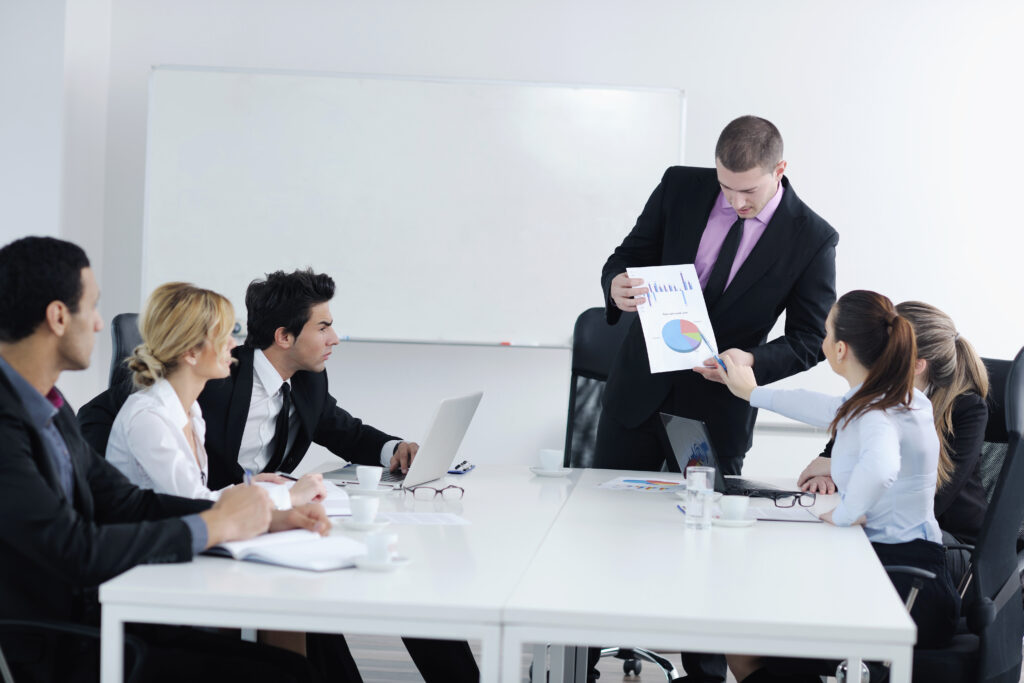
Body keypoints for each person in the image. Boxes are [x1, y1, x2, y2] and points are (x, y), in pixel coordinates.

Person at [79, 268, 480, 683]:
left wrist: (394, 449)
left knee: (386, 571)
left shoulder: (304, 382)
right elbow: (115, 418)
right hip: (197, 531)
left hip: (241, 516)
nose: (334, 338)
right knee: (315, 592)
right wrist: (106, 483)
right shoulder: (206, 382)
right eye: (323, 327)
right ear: (284, 337)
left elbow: (343, 429)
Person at [0, 236, 328, 683]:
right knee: (288, 675)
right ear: (58, 317)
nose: (98, 324)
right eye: (91, 307)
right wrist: (215, 525)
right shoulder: (8, 425)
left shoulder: (51, 409)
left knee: (296, 667)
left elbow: (128, 502)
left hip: (101, 617)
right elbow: (75, 548)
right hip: (59, 644)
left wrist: (260, 519)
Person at [593, 115, 838, 682]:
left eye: (747, 190)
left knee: (706, 551)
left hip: (717, 407)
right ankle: (577, 660)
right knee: (599, 529)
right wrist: (615, 285)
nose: (734, 201)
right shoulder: (681, 185)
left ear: (780, 169)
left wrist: (751, 361)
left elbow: (810, 339)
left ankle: (704, 675)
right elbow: (626, 256)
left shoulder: (812, 237)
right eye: (726, 186)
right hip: (637, 391)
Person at [719, 290, 960, 683]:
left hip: (905, 590)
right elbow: (822, 407)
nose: (823, 342)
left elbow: (881, 467)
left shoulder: (878, 410)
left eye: (827, 333)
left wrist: (846, 513)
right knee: (756, 625)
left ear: (841, 349)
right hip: (902, 573)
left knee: (745, 643)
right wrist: (752, 392)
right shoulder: (896, 398)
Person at [106, 281, 329, 657]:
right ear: (191, 352)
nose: (234, 345)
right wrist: (285, 498)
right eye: (224, 335)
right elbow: (195, 506)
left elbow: (194, 496)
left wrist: (248, 488)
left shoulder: (190, 411)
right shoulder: (149, 418)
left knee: (292, 600)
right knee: (286, 601)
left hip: (185, 556)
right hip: (149, 573)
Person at [798, 301, 989, 583]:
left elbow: (929, 502)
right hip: (896, 531)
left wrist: (837, 466)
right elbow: (829, 458)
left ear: (916, 365)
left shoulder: (966, 409)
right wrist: (827, 475)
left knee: (846, 545)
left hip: (948, 544)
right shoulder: (875, 397)